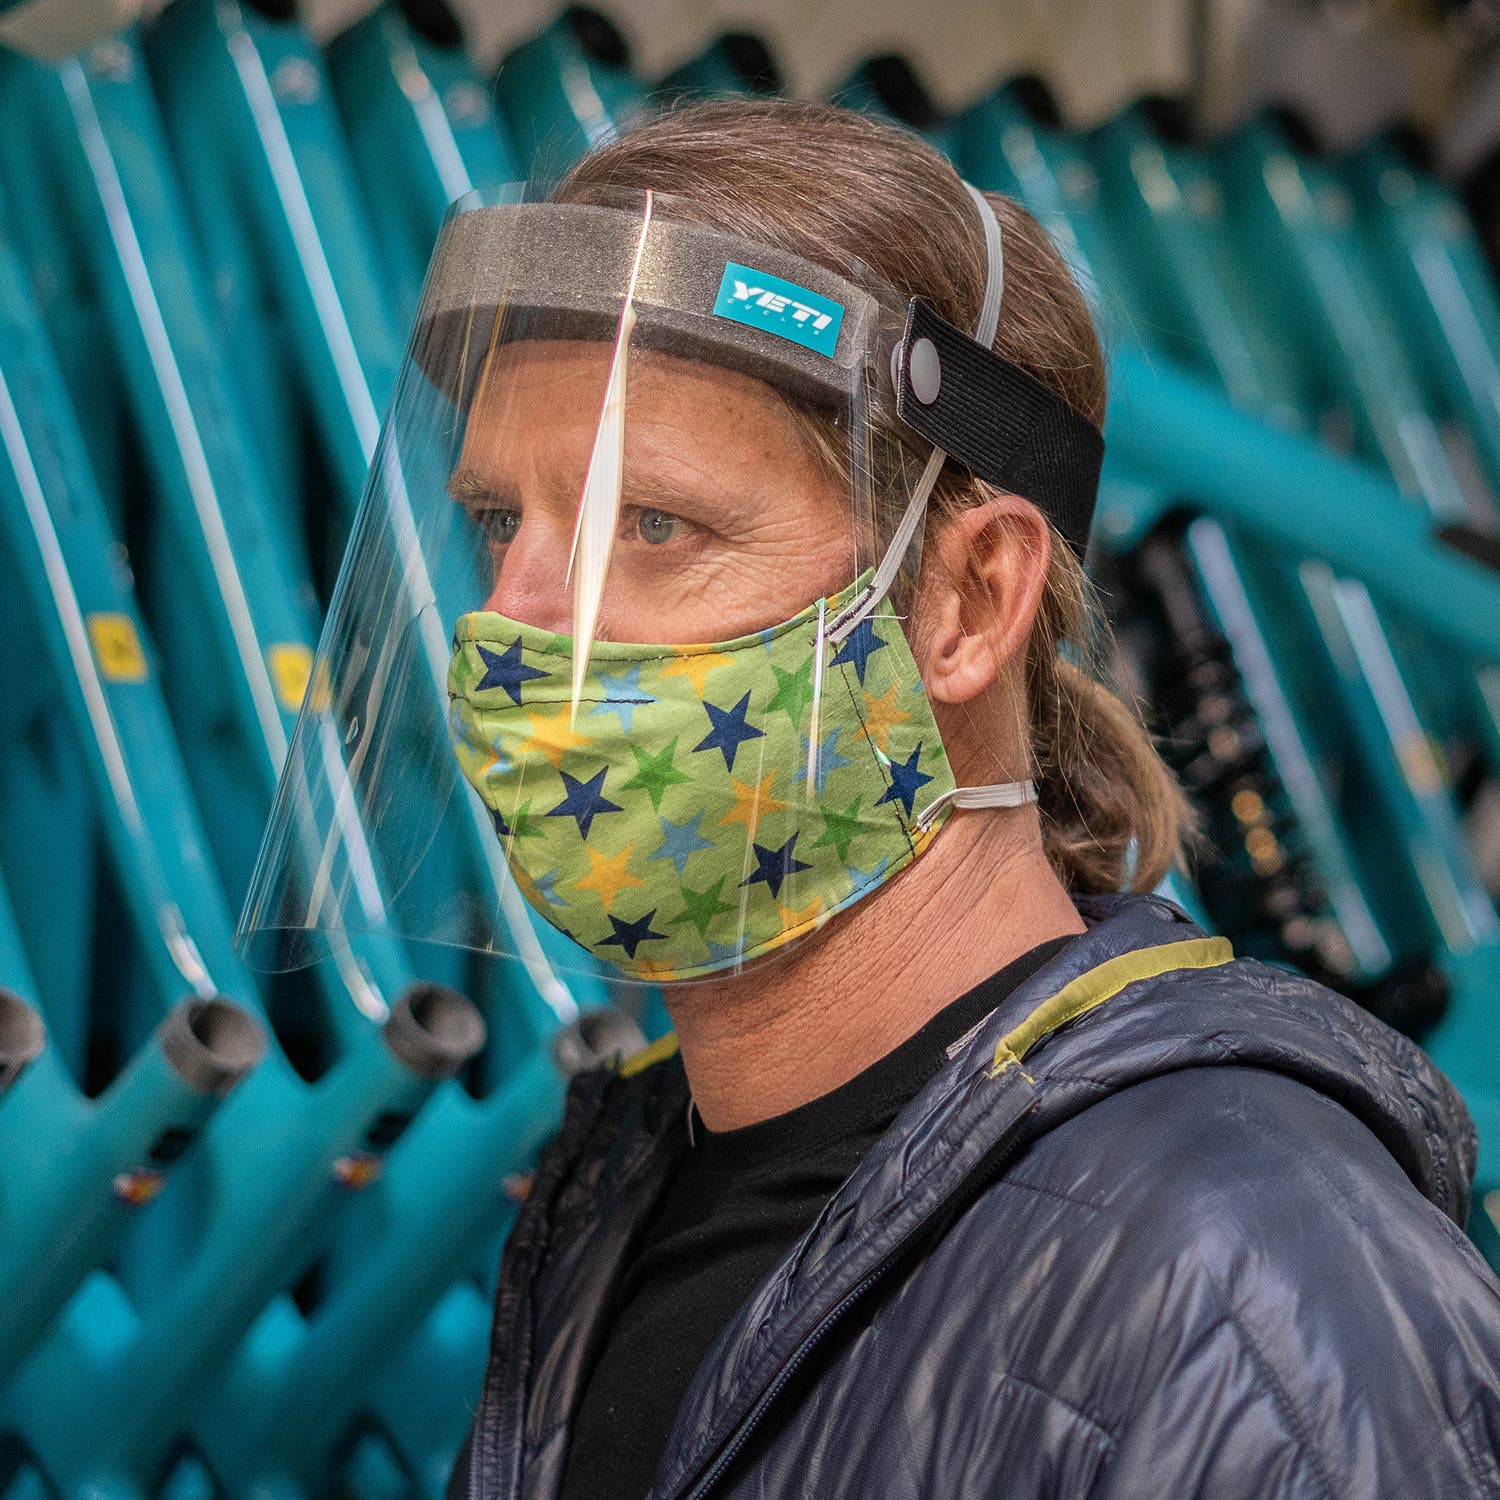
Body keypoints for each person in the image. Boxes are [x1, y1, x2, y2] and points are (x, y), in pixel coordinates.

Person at [242, 95, 1500, 1498]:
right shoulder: (627, 1197)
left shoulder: (1254, 1285)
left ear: (970, 599)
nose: (516, 622)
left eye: (651, 526)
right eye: (497, 523)